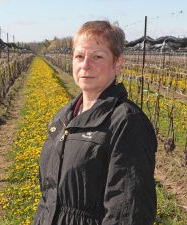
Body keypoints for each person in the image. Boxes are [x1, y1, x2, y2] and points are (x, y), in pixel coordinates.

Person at [33, 20, 157, 225]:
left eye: (97, 57)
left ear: (117, 62)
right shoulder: (64, 117)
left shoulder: (127, 123)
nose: (85, 65)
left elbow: (129, 214)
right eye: (79, 56)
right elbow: (49, 197)